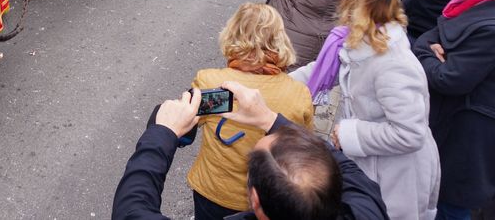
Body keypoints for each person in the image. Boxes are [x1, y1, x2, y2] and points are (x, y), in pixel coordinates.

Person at [111, 81, 388, 220]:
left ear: (255, 200)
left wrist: (163, 133)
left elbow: (130, 210)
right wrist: (267, 118)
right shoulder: (366, 210)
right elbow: (344, 166)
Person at [293, 0, 440, 220]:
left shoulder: (394, 66)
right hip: (371, 163)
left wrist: (350, 133)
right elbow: (318, 70)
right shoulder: (357, 42)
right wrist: (273, 84)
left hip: (396, 177)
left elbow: (410, 133)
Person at [188, 4, 314, 219]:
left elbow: (186, 126)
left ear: (232, 34)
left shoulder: (211, 82)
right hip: (265, 201)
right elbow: (304, 148)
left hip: (213, 192)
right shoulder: (297, 94)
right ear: (280, 40)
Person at [413, 0, 495, 220]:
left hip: (467, 138)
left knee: (449, 206)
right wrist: (430, 49)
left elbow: (449, 79)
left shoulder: (488, 28)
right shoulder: (465, 8)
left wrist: (425, 52)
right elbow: (428, 37)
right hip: (453, 122)